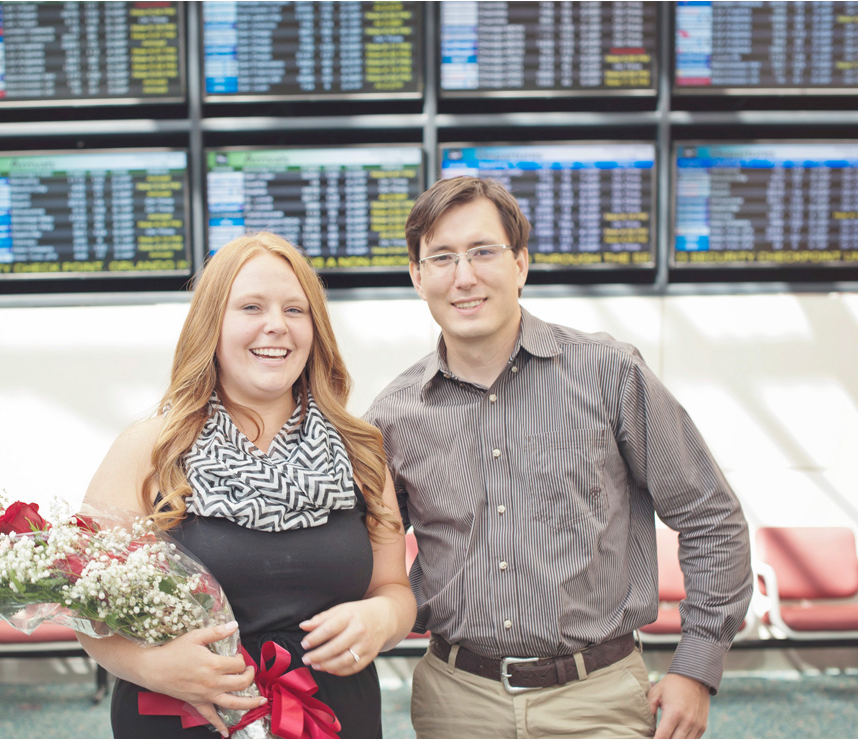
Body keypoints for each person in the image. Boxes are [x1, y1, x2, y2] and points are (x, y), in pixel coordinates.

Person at [365, 176, 754, 740]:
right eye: (442, 257)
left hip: (598, 702)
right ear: (417, 277)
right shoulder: (394, 415)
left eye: (483, 252)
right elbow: (357, 549)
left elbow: (708, 514)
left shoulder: (609, 373)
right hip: (456, 704)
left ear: (520, 263)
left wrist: (697, 667)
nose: (464, 276)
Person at [79, 232, 416, 739]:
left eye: (295, 310)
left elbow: (394, 589)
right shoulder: (149, 449)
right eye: (251, 306)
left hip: (333, 718)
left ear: (315, 328)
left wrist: (384, 619)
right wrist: (151, 667)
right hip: (185, 719)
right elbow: (87, 612)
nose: (275, 326)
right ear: (211, 324)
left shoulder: (360, 451)